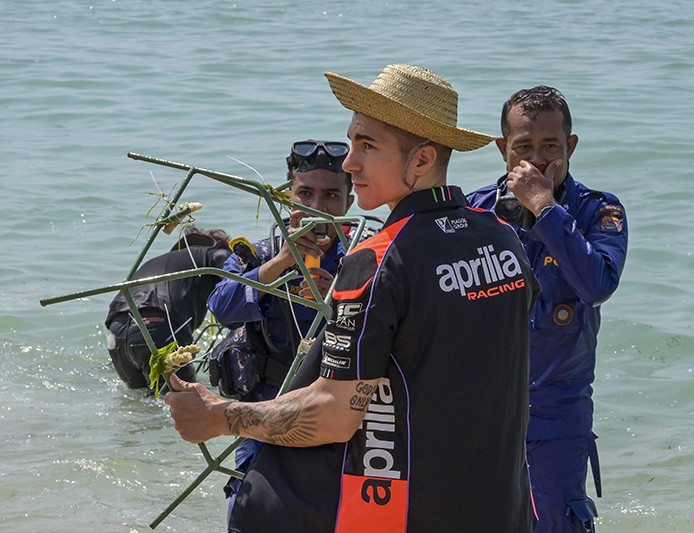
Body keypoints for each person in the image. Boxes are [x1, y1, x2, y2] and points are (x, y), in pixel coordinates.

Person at [165, 64, 540, 532]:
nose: (349, 164)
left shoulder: (378, 258)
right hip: (500, 509)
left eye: (368, 146)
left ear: (421, 160)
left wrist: (220, 417)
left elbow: (334, 415)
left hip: (403, 514)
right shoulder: (503, 239)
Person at [467, 86, 628, 532]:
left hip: (556, 417)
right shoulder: (475, 211)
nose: (537, 160)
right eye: (523, 147)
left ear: (570, 146)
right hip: (481, 411)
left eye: (550, 146)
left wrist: (544, 207)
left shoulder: (599, 212)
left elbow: (597, 284)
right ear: (502, 149)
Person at [206, 139, 355, 515]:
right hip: (263, 415)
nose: (317, 208)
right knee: (251, 512)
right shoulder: (259, 254)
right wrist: (279, 266)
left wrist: (338, 302)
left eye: (331, 196)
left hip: (336, 422)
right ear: (287, 197)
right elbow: (220, 307)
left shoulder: (363, 259)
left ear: (349, 204)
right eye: (305, 193)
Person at [105, 225, 231, 392]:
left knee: (148, 404)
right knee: (188, 403)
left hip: (117, 332)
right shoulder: (210, 254)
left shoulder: (161, 262)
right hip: (156, 325)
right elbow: (225, 258)